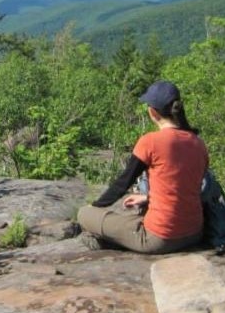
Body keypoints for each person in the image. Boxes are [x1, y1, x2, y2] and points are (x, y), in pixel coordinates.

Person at [77, 80, 208, 254]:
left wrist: (96, 206)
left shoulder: (151, 142)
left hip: (160, 239)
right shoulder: (198, 142)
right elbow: (186, 183)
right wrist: (148, 197)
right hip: (194, 233)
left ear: (152, 112)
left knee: (83, 215)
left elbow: (123, 183)